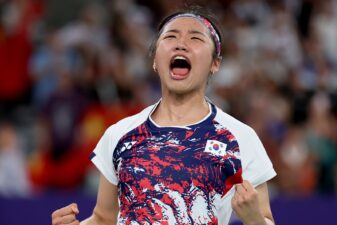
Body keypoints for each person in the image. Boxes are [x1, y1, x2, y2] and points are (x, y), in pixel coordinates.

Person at [51, 6, 276, 225]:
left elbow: (265, 219)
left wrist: (254, 219)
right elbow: (104, 219)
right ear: (155, 61)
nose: (181, 44)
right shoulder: (119, 134)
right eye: (171, 37)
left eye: (195, 38)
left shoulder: (239, 138)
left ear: (215, 64)